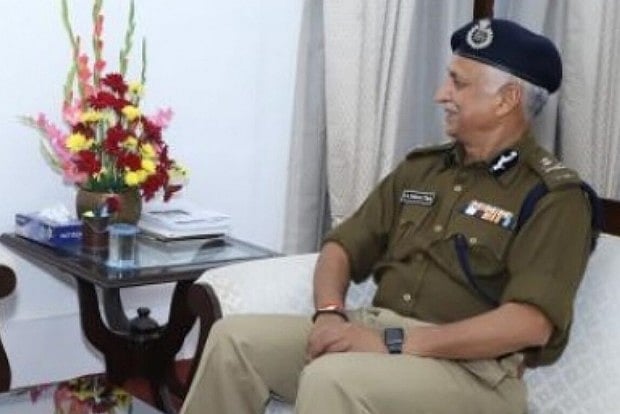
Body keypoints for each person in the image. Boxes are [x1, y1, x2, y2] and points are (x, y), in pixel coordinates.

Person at [181, 18, 595, 414]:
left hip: (472, 373)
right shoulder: (423, 169)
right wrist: (329, 313)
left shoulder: (554, 197)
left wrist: (395, 344)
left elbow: (529, 324)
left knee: (333, 378)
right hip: (380, 332)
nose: (441, 94)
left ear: (506, 100)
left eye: (458, 83)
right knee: (234, 341)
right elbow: (342, 247)